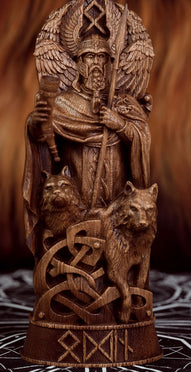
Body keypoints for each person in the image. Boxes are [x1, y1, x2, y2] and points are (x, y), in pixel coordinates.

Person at [23, 33, 151, 253]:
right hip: (75, 204)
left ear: (110, 64)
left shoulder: (124, 103)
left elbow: (142, 136)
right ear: (79, 63)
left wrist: (120, 124)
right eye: (90, 56)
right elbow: (40, 136)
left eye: (102, 57)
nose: (96, 63)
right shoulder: (63, 103)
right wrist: (36, 122)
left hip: (116, 202)